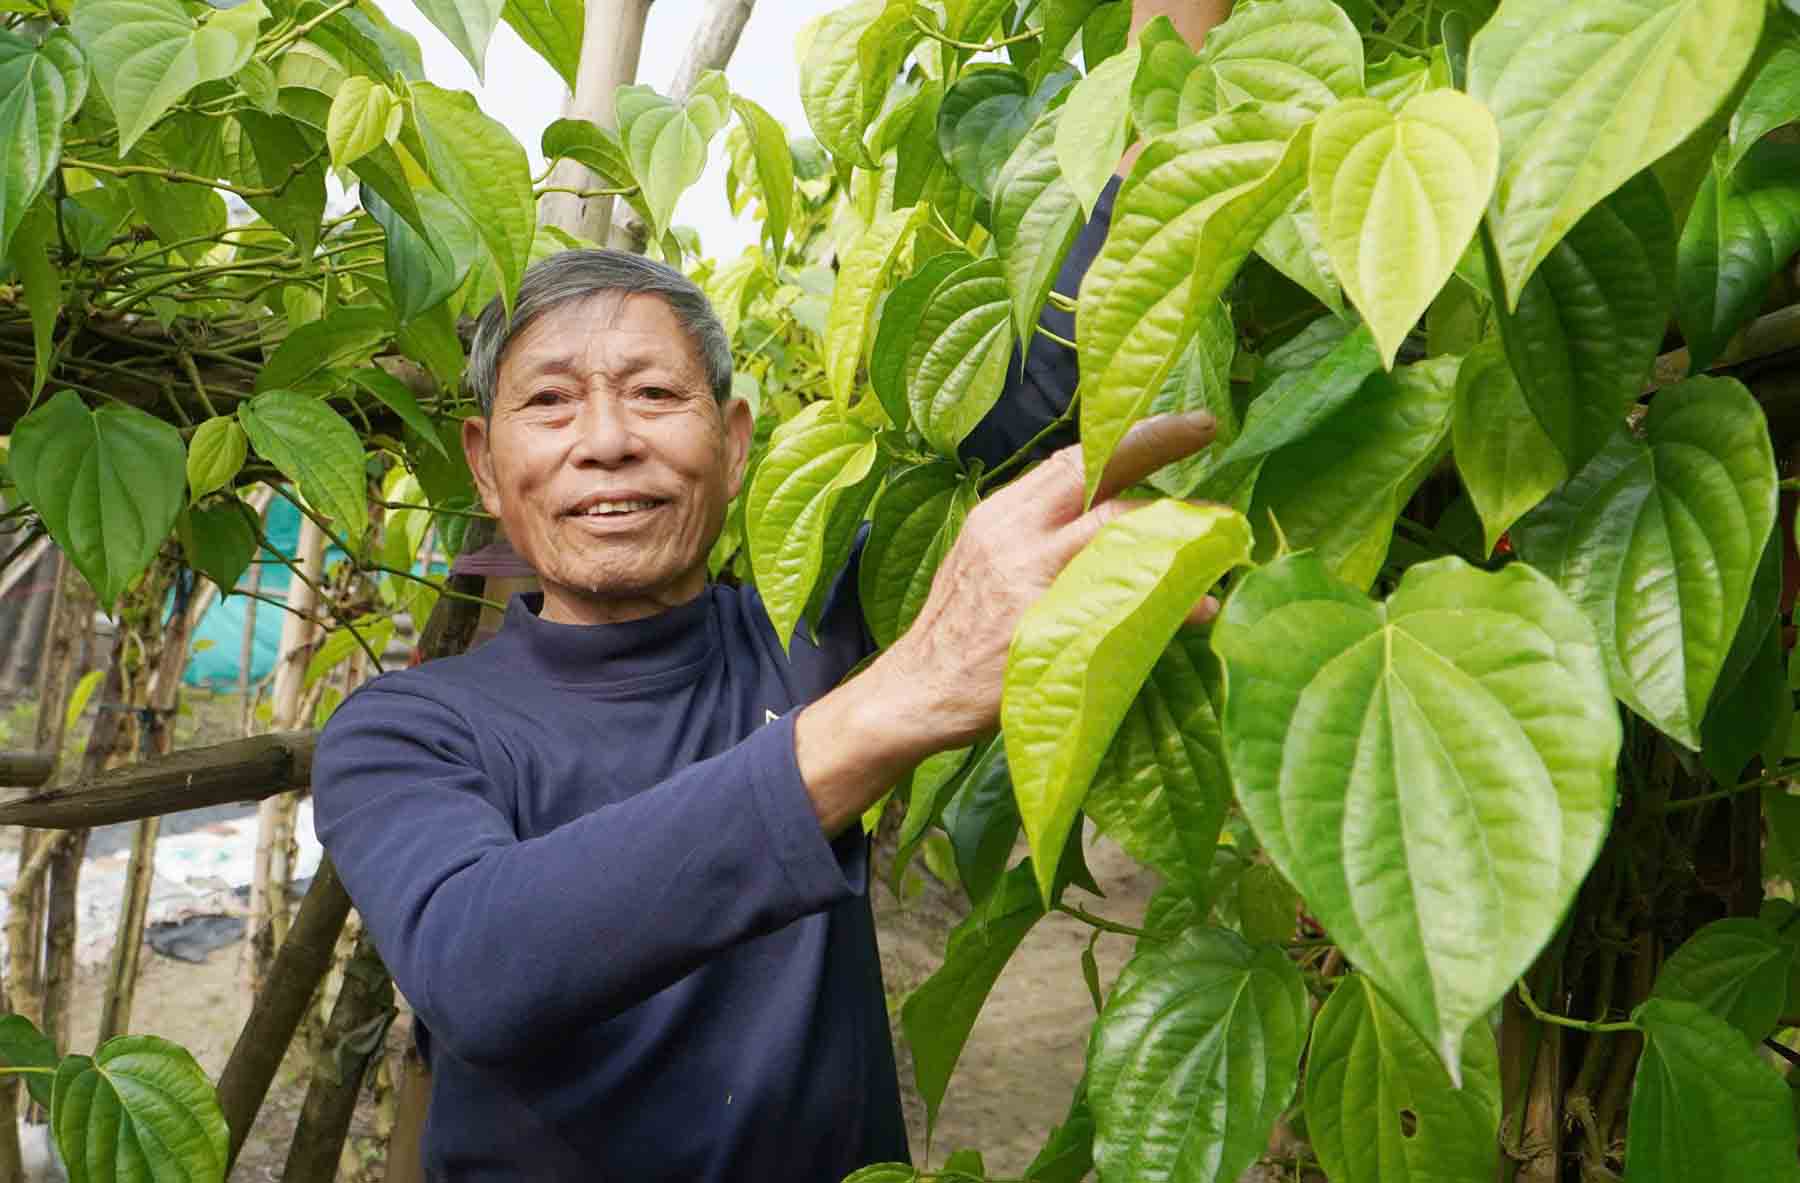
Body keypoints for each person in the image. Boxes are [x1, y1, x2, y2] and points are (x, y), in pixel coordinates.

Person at [312, 8, 1229, 1179]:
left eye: (653, 393)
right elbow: (482, 961)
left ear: (735, 443)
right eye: (551, 405)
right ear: (487, 466)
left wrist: (1176, 72)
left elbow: (1037, 385)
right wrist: (902, 696)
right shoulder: (407, 732)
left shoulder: (811, 634)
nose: (606, 442)